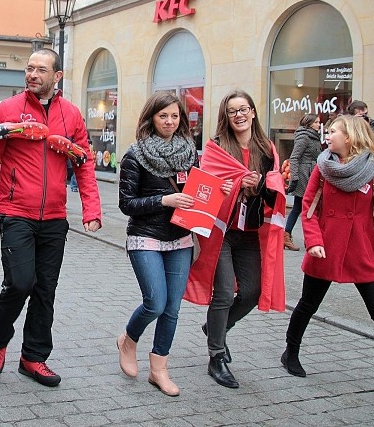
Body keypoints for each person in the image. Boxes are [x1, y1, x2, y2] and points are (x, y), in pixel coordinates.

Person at [0, 48, 102, 388]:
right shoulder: (10, 111)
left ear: (57, 77)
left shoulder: (71, 115)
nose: (32, 74)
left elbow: (83, 164)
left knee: (45, 289)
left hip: (55, 217)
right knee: (21, 282)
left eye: (41, 69)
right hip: (15, 213)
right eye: (29, 68)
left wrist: (92, 209)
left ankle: (33, 357)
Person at [282, 115, 374, 402]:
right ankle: (290, 352)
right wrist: (313, 242)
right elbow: (308, 209)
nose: (327, 136)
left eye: (333, 131)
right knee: (307, 306)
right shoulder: (323, 167)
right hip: (326, 249)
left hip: (362, 252)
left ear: (349, 137)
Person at [117, 93, 231, 396]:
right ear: (151, 118)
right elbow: (126, 203)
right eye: (163, 116)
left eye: (175, 116)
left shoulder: (189, 153)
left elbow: (199, 190)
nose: (169, 122)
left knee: (172, 309)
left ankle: (159, 368)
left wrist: (222, 188)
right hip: (145, 237)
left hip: (180, 238)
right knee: (155, 302)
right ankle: (128, 339)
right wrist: (164, 199)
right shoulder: (135, 154)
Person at [184, 89, 286, 390]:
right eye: (232, 111)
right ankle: (216, 357)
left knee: (252, 292)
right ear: (225, 117)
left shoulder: (267, 150)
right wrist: (225, 189)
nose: (239, 115)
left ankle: (214, 327)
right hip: (222, 232)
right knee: (225, 292)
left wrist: (260, 186)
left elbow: (274, 193)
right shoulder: (217, 147)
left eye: (243, 109)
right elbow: (204, 186)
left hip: (250, 231)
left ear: (253, 112)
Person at [346, 100, 374, 266]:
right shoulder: (345, 127)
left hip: (370, 171)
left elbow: (371, 146)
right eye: (358, 116)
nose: (362, 119)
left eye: (365, 114)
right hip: (349, 171)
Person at [283, 114, 322, 251]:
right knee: (306, 207)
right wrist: (294, 177)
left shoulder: (314, 136)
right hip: (304, 175)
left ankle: (287, 235)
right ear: (309, 123)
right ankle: (308, 238)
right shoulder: (304, 136)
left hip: (312, 173)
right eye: (316, 122)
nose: (319, 124)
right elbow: (294, 157)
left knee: (300, 207)